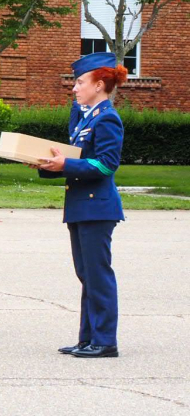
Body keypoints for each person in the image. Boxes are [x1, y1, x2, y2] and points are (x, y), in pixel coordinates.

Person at [35, 52, 127, 359]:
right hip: (81, 206)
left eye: (80, 82)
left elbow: (105, 166)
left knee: (98, 275)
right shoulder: (87, 117)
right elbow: (76, 158)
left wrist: (66, 164)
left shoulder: (108, 118)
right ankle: (88, 338)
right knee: (86, 274)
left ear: (99, 85)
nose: (74, 88)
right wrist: (51, 164)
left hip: (97, 207)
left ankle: (105, 341)